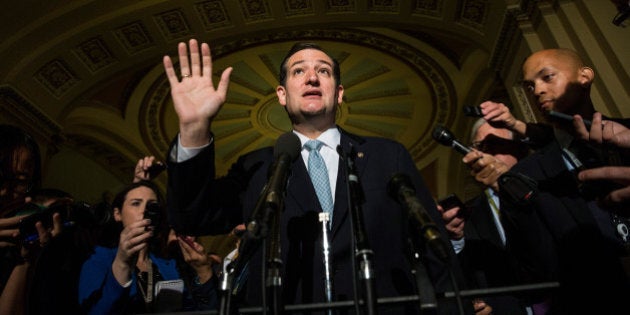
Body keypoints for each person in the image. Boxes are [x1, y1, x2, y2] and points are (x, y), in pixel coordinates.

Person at [162, 39, 479, 314]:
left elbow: (434, 250)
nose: (311, 77)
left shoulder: (387, 156)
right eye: (298, 71)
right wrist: (193, 129)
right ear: (282, 95)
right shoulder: (256, 167)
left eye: (323, 71)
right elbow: (191, 217)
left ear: (338, 93)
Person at [463, 48, 630, 314]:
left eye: (547, 77)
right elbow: (535, 271)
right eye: (530, 86)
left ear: (585, 76)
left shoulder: (627, 134)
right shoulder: (527, 176)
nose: (537, 90)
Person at [78, 180, 218, 314]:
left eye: (152, 206)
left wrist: (204, 271)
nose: (145, 211)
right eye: (136, 203)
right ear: (117, 214)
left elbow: (200, 312)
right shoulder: (99, 258)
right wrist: (122, 263)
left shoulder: (168, 266)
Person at [438, 119, 532, 314]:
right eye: (480, 147)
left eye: (495, 144)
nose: (484, 154)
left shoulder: (549, 190)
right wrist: (456, 239)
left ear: (519, 150)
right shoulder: (468, 217)